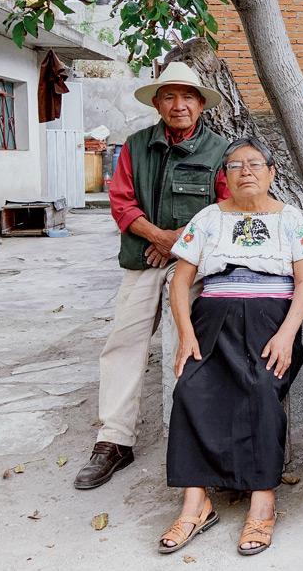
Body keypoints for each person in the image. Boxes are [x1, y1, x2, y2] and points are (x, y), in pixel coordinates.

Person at [74, 62, 230, 491]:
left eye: (187, 97)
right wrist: (159, 237)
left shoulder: (222, 150)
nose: (179, 105)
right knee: (123, 342)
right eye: (169, 96)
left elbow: (226, 208)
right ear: (158, 103)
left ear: (200, 104)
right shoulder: (136, 145)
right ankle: (114, 440)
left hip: (192, 262)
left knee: (192, 346)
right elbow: (122, 203)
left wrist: (178, 243)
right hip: (144, 256)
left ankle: (195, 437)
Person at [158, 136, 303, 555]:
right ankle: (197, 502)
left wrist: (286, 334)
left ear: (271, 173)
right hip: (212, 318)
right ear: (224, 177)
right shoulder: (208, 217)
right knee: (190, 388)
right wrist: (186, 334)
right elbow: (180, 281)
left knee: (263, 388)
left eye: (254, 164)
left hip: (271, 320)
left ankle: (262, 500)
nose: (245, 172)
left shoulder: (293, 219)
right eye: (235, 166)